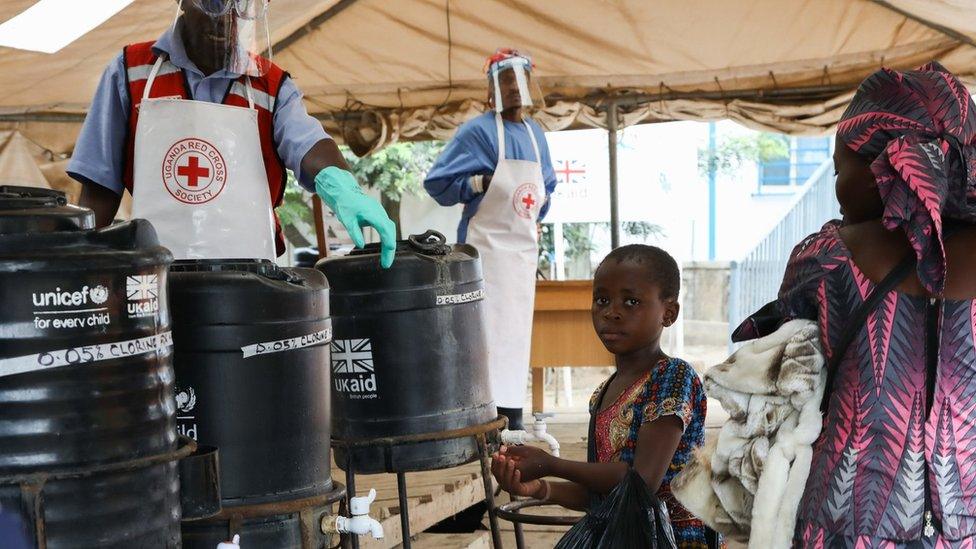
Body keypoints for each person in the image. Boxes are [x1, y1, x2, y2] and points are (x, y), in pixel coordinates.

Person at [732, 62, 976, 546]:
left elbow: (777, 380)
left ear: (884, 172)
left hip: (846, 521)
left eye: (841, 169)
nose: (836, 187)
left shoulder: (827, 259)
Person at [68, 0, 396, 267]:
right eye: (214, 4)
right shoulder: (130, 70)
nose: (227, 19)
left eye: (243, 7)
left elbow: (308, 144)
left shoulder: (271, 84)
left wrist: (343, 188)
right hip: (155, 275)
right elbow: (100, 185)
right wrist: (85, 266)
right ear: (183, 3)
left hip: (250, 276)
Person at [492, 245, 721, 548]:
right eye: (602, 300)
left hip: (673, 540)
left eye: (631, 302)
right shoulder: (603, 392)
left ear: (669, 313)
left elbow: (640, 482)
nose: (611, 312)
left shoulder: (673, 377)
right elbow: (604, 497)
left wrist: (554, 464)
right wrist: (539, 488)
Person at [423, 48, 558, 430]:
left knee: (515, 335)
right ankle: (479, 417)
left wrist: (536, 214)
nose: (515, 88)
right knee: (480, 334)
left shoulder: (536, 135)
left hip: (521, 255)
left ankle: (511, 415)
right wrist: (478, 183)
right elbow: (437, 183)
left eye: (521, 79)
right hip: (483, 251)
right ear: (491, 89)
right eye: (505, 80)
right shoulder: (476, 132)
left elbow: (545, 189)